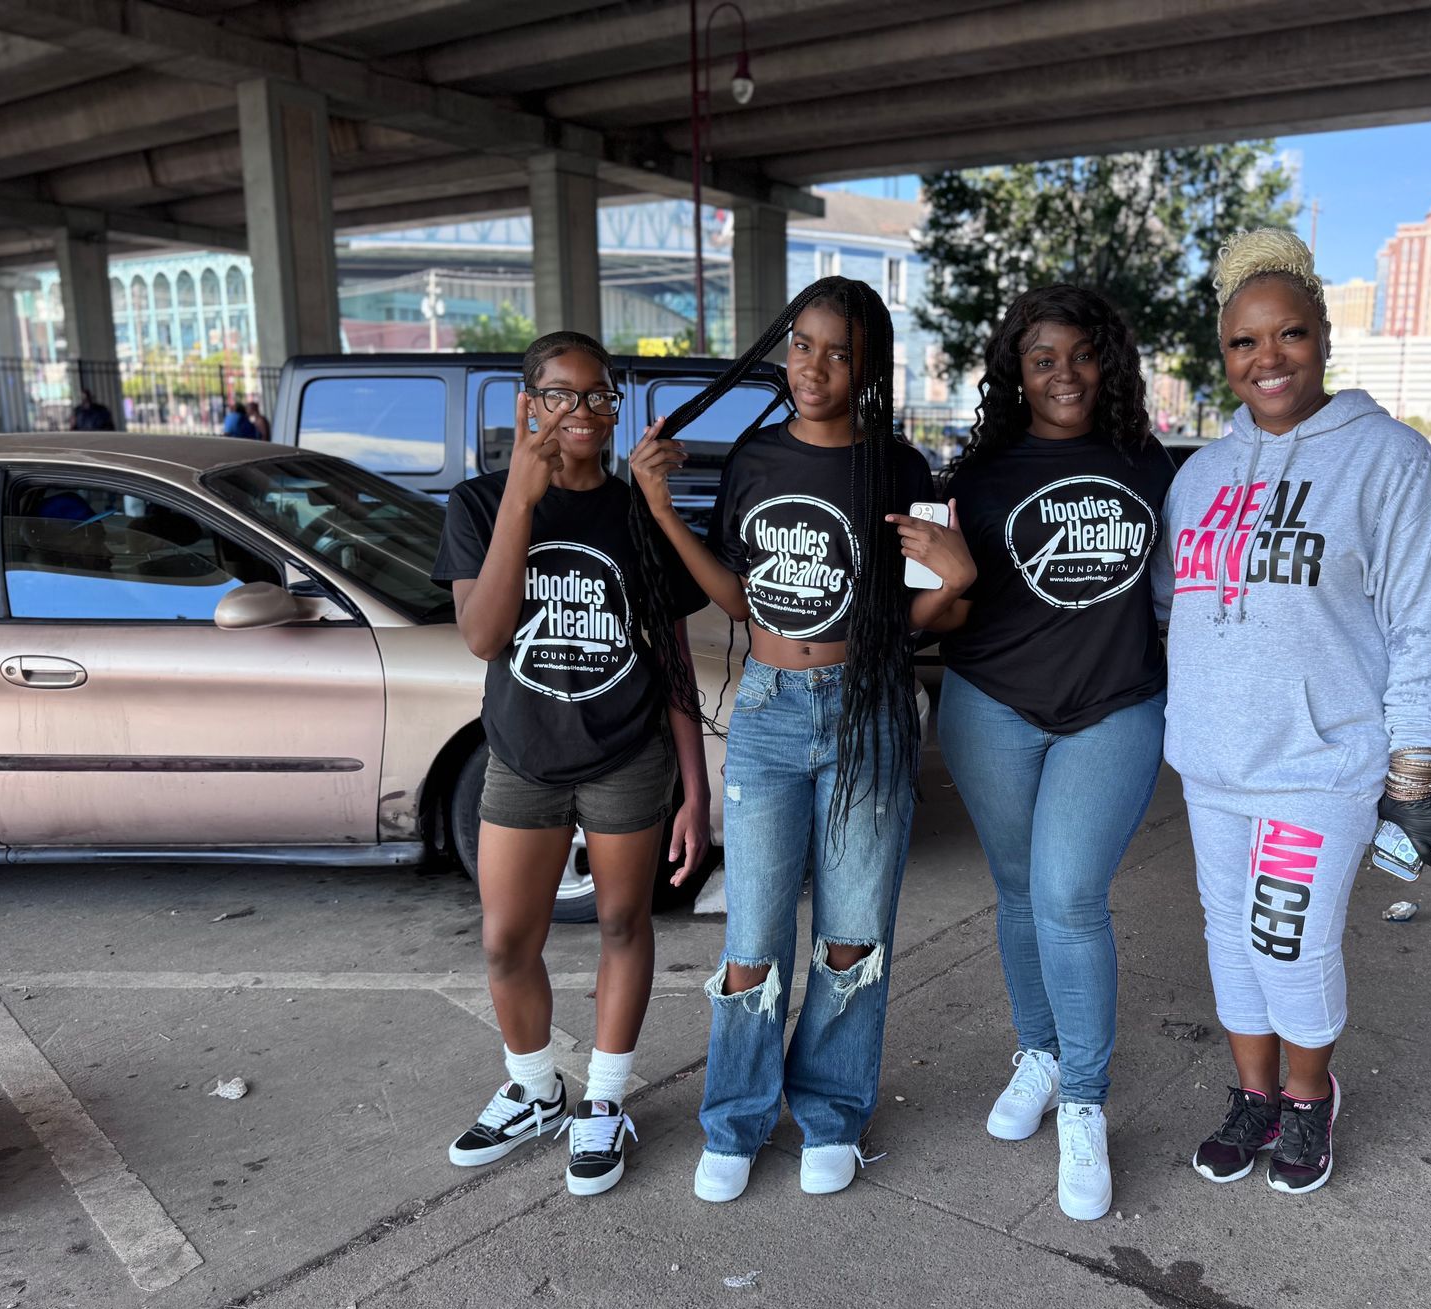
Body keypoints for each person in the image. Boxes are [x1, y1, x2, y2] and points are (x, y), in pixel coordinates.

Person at [630, 277, 973, 1203]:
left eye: (838, 352)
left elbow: (924, 613)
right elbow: (739, 598)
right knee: (753, 937)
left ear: (867, 369)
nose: (814, 367)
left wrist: (959, 577)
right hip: (773, 711)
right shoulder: (754, 461)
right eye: (803, 345)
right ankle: (735, 1119)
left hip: (867, 711)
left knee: (854, 935)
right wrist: (663, 510)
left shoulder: (899, 469)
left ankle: (831, 1113)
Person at [1154, 229, 1431, 1196]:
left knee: (1287, 941)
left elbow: (1423, 628)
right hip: (1213, 761)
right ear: (1224, 355)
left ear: (1324, 336)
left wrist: (1414, 771)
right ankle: (1252, 1096)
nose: (1268, 360)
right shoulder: (1200, 476)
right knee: (1228, 937)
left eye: (1289, 335)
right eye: (1245, 344)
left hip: (1320, 760)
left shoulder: (1390, 462)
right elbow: (1175, 607)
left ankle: (1307, 1098)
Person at [432, 331, 711, 1197]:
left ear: (614, 407)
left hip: (628, 756)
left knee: (626, 925)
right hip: (523, 757)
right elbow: (482, 635)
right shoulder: (480, 504)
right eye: (559, 395)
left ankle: (603, 1103)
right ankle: (536, 1089)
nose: (580, 412)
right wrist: (522, 499)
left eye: (597, 396)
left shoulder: (637, 511)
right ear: (528, 404)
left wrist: (694, 790)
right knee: (507, 940)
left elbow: (670, 654)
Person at [925, 285, 1172, 1222]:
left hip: (1112, 709)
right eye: (1041, 358)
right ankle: (1039, 1051)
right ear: (1015, 373)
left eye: (1079, 354)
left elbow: (1184, 591)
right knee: (1020, 889)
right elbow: (942, 602)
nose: (1062, 373)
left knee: (1070, 895)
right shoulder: (978, 473)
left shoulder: (1150, 466)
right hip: (991, 705)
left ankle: (1084, 1105)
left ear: (1106, 361)